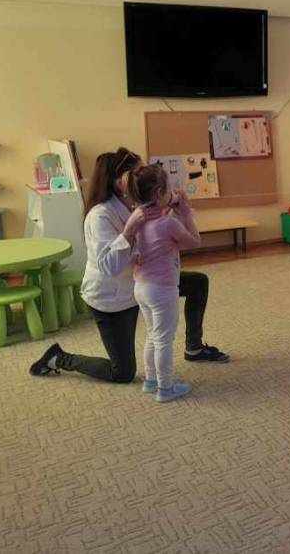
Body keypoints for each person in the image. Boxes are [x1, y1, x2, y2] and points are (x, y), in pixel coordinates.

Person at [30, 147, 228, 383]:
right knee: (122, 373)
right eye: (136, 173)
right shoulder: (100, 215)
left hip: (142, 282)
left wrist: (175, 206)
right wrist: (129, 230)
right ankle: (59, 357)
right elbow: (108, 267)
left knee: (197, 283)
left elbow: (164, 229)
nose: (140, 178)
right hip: (111, 297)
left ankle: (194, 348)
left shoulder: (137, 202)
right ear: (119, 181)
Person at [126, 164, 200, 402]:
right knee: (164, 340)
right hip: (162, 290)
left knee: (153, 335)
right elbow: (195, 241)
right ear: (159, 193)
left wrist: (170, 207)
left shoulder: (138, 219)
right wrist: (186, 213)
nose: (172, 192)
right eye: (168, 189)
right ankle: (166, 388)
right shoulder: (169, 224)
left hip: (141, 287)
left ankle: (151, 380)